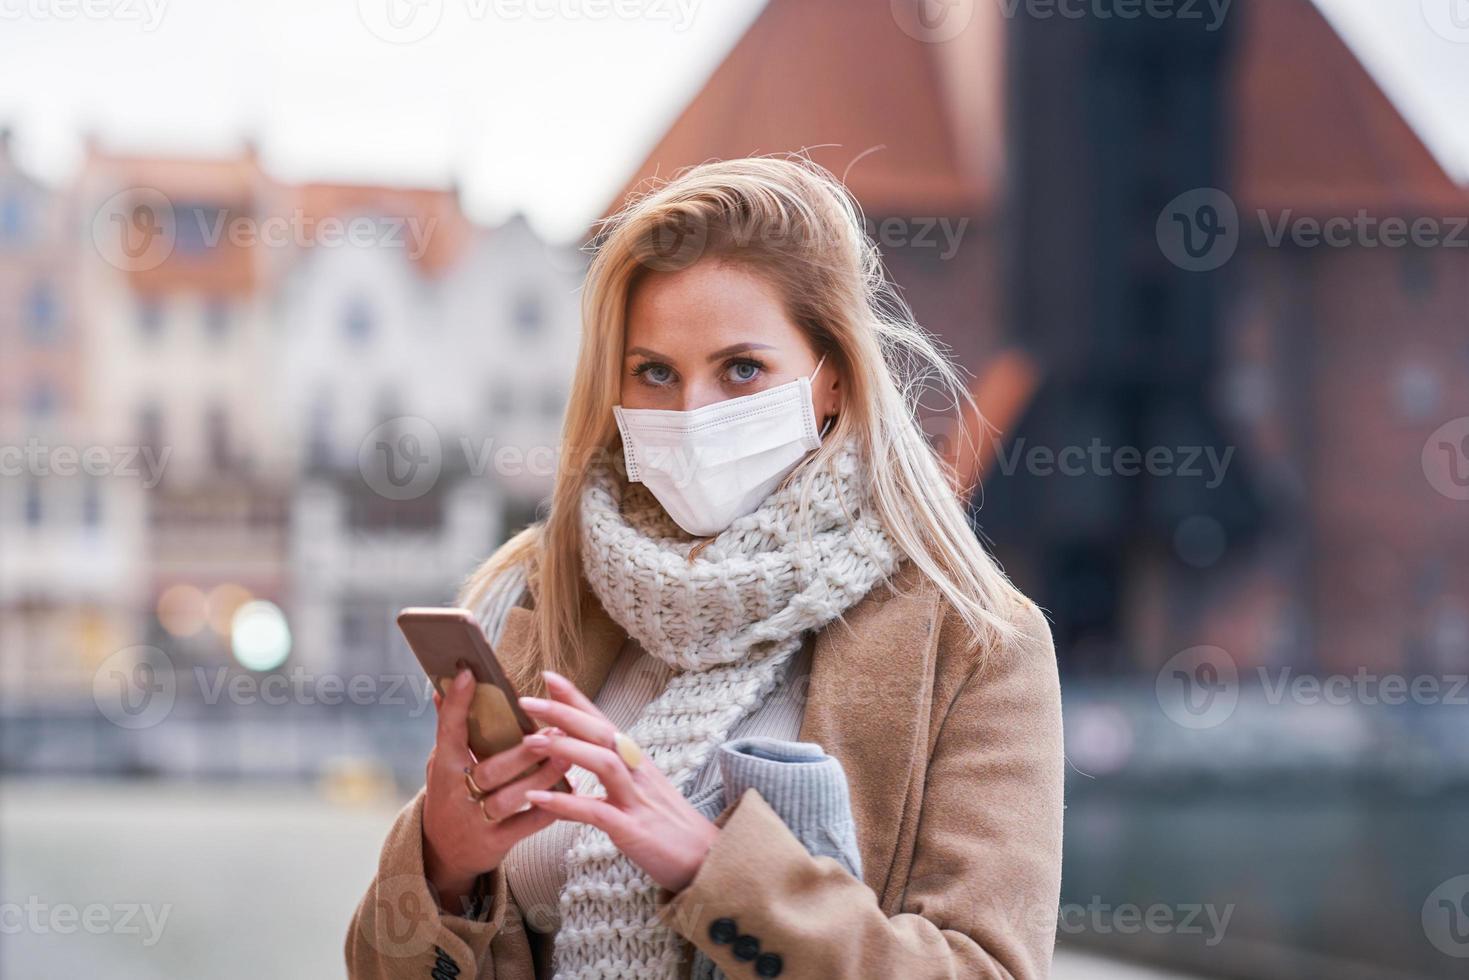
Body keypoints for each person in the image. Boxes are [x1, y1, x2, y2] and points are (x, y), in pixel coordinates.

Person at [346, 156, 1064, 980]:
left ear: (830, 381)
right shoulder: (553, 599)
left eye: (741, 370)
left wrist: (712, 870)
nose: (692, 414)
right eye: (655, 372)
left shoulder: (976, 647)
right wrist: (441, 866)